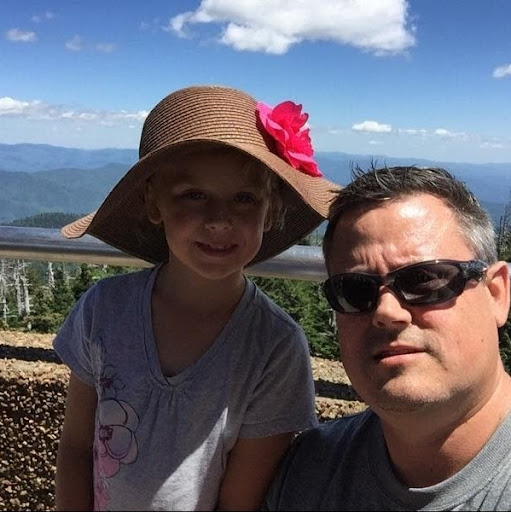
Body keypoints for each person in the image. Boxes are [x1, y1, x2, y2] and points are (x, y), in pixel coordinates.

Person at [52, 85, 340, 511]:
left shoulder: (274, 347)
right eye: (194, 195)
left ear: (271, 211)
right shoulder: (102, 310)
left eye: (244, 198)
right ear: (154, 203)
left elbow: (240, 502)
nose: (219, 220)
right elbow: (76, 448)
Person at [264, 165, 511, 511]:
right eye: (354, 290)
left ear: (496, 294)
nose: (386, 311)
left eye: (424, 279)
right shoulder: (307, 471)